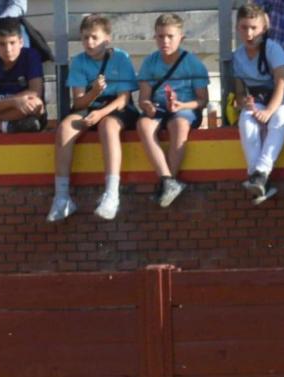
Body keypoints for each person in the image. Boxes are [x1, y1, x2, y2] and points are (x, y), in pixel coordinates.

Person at [48, 12, 135, 222]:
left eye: (94, 37)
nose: (89, 42)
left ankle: (112, 193)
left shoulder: (121, 58)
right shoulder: (78, 61)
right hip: (90, 106)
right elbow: (78, 102)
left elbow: (124, 99)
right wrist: (94, 92)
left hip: (114, 108)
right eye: (85, 37)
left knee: (108, 127)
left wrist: (101, 113)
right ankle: (61, 197)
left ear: (107, 39)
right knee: (65, 128)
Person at [135, 12, 209, 208]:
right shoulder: (150, 62)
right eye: (160, 36)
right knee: (143, 125)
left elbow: (202, 100)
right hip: (159, 107)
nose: (165, 41)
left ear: (181, 38)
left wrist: (182, 105)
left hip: (184, 107)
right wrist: (147, 106)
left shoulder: (192, 63)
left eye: (170, 36)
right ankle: (167, 179)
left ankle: (170, 180)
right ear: (155, 37)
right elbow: (143, 98)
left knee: (179, 125)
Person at [232, 2, 284, 205]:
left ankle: (259, 173)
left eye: (254, 28)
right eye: (244, 27)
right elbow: (240, 92)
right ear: (237, 28)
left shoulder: (273, 49)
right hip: (259, 100)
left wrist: (268, 111)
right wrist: (245, 103)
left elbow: (282, 84)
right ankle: (260, 181)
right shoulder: (238, 56)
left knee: (278, 120)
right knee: (246, 123)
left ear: (264, 28)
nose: (249, 33)